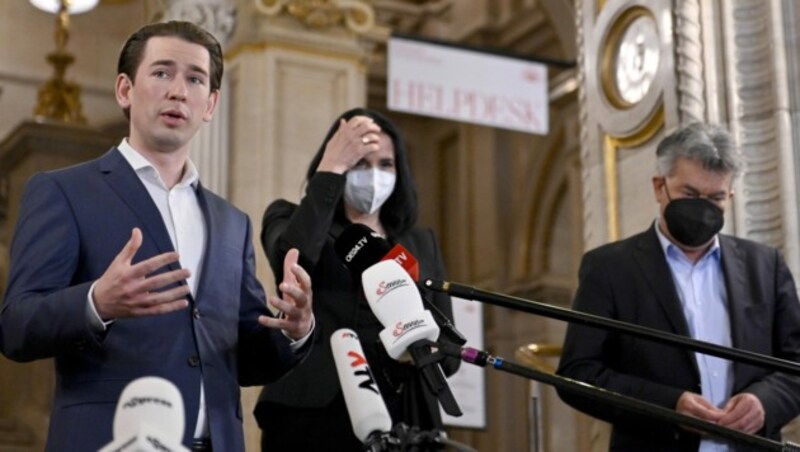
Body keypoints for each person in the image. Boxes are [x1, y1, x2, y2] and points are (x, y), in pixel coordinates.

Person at [0, 21, 314, 452]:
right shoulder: (63, 191)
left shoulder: (231, 222)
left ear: (210, 105)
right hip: (108, 441)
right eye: (162, 73)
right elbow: (16, 326)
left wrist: (294, 330)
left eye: (195, 79)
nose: (179, 91)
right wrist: (96, 303)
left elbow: (244, 358)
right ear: (125, 90)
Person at [556, 122, 800, 451]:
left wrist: (764, 403)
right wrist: (668, 406)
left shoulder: (764, 266)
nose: (702, 208)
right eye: (689, 194)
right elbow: (578, 374)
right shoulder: (610, 268)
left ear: (730, 195)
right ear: (660, 187)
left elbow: (795, 364)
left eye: (715, 198)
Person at [254, 107, 459, 451]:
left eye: (386, 164)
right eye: (360, 163)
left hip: (405, 414)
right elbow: (293, 260)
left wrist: (419, 349)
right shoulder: (288, 217)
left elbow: (449, 352)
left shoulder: (421, 243)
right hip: (314, 412)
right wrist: (331, 168)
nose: (374, 175)